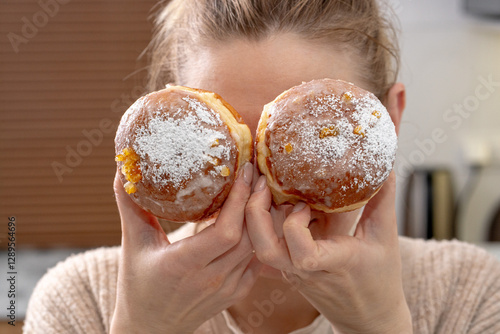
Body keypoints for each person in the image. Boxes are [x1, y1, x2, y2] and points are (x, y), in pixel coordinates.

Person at [24, 0, 500, 333]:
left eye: (306, 153)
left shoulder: (473, 295)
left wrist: (381, 328)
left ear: (388, 123)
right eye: (226, 153)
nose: (260, 205)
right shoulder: (80, 302)